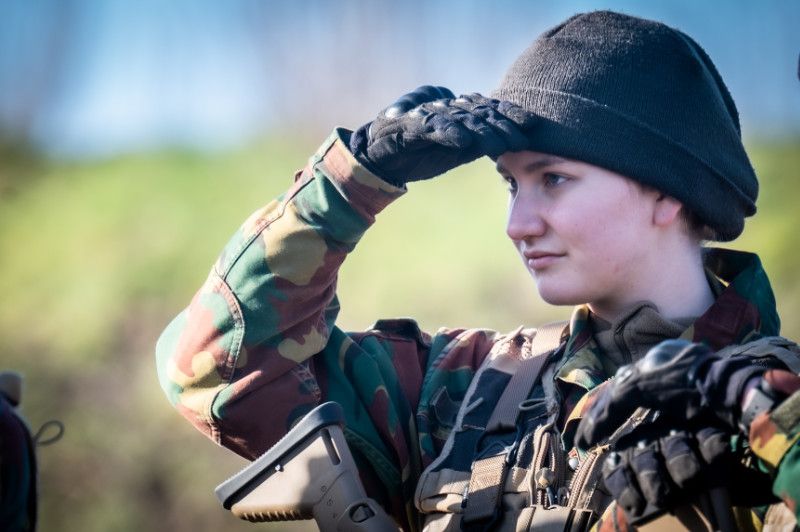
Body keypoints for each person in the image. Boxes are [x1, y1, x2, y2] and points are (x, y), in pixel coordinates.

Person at [155, 10, 798, 531]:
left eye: (553, 179)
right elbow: (218, 370)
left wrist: (772, 431)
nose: (518, 225)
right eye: (512, 186)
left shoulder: (776, 398)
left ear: (668, 190)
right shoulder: (463, 388)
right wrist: (353, 183)